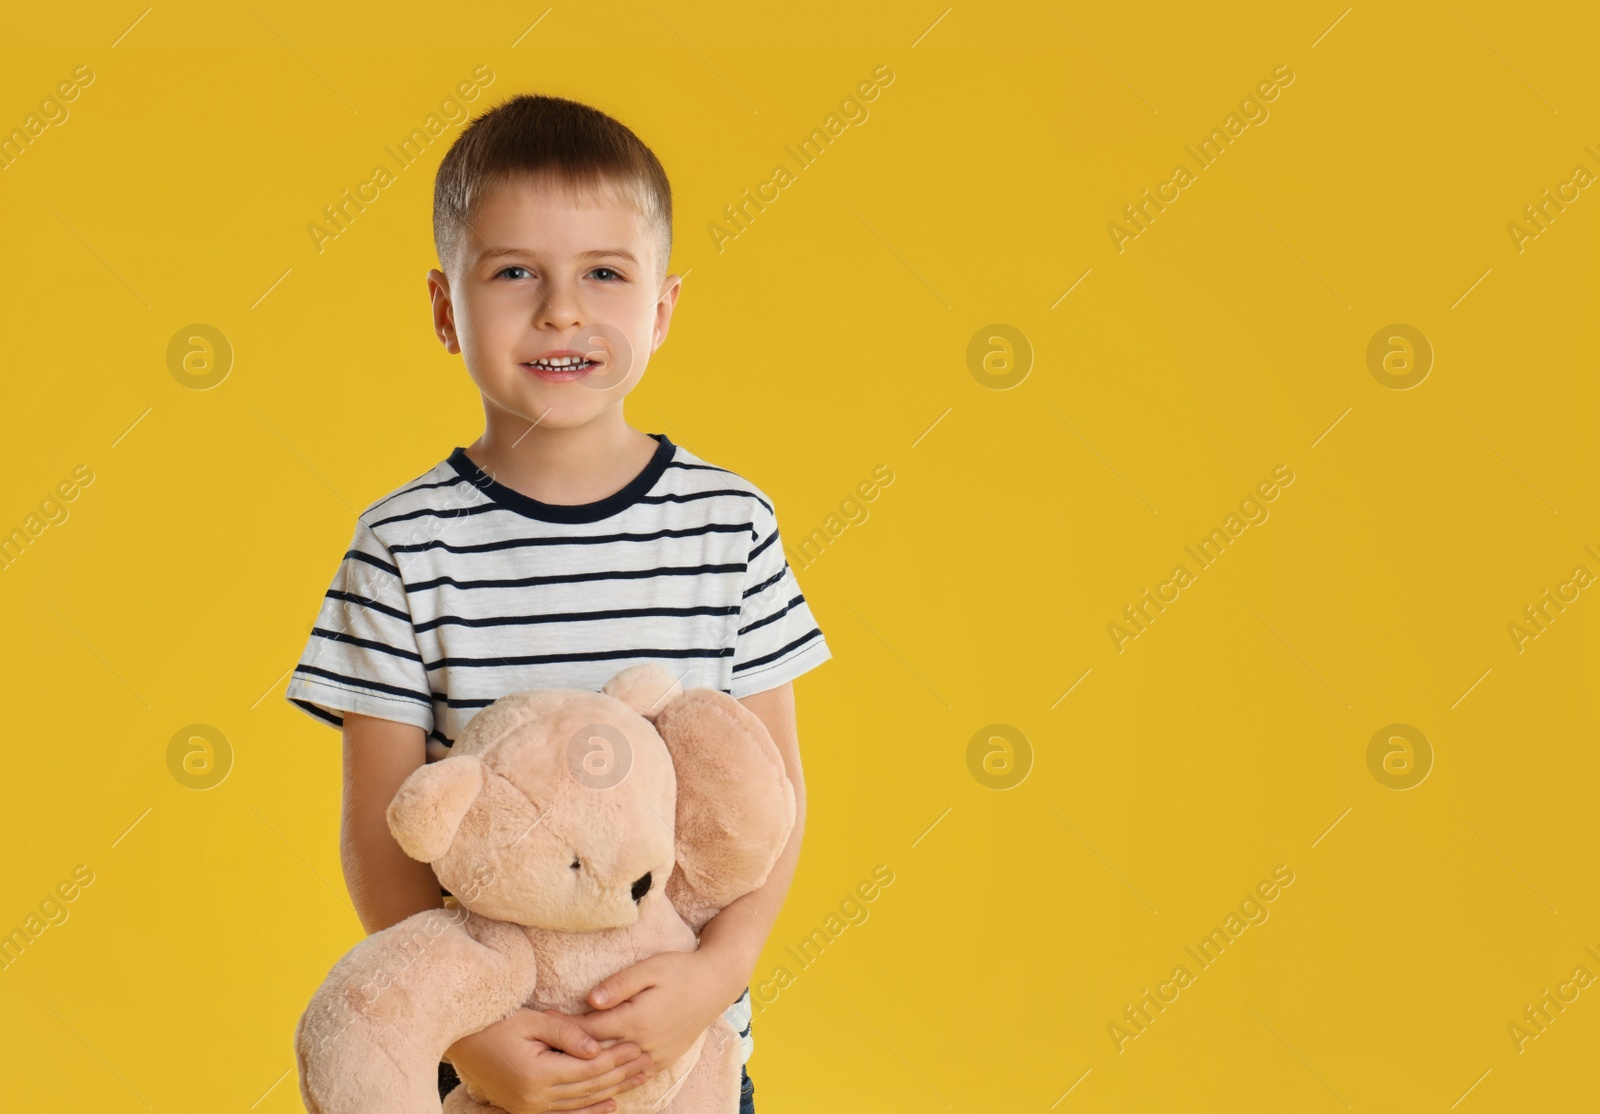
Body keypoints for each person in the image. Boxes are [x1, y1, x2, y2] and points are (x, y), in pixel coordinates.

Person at [284, 92, 831, 1114]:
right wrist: (479, 1037)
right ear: (447, 310)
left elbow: (773, 801)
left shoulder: (728, 523)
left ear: (661, 309)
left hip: (681, 1070)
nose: (561, 311)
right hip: (493, 1074)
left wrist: (716, 976)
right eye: (514, 273)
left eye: (603, 275)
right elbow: (378, 830)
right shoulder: (402, 546)